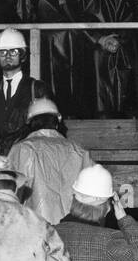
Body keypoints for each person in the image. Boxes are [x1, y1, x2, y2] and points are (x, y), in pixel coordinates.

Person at [72, 0, 138, 118]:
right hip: (119, 49)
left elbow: (75, 18)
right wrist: (116, 39)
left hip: (91, 52)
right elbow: (130, 15)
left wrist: (99, 38)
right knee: (120, 106)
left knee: (93, 107)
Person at [15, 0, 78, 115]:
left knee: (43, 86)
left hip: (41, 43)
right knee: (71, 86)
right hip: (71, 40)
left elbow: (23, 14)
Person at [7, 96, 90, 229]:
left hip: (37, 228)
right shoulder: (78, 150)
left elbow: (11, 194)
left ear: (30, 122)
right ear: (57, 122)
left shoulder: (22, 149)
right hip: (75, 227)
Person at [0, 27, 51, 154]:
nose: (7, 56)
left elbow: (48, 128)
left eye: (14, 52)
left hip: (27, 158)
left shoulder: (37, 89)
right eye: (3, 52)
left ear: (22, 56)